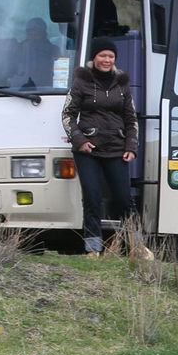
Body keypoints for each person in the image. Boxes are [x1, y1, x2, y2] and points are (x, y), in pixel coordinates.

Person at [61, 36, 148, 258]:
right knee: (92, 197)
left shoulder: (122, 84)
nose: (107, 60)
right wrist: (80, 140)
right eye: (102, 56)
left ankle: (137, 246)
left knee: (124, 199)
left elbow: (131, 119)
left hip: (117, 149)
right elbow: (68, 114)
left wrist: (132, 146)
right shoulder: (81, 81)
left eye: (110, 56)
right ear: (94, 57)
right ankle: (93, 248)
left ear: (115, 58)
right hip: (88, 150)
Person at [17, 17, 59, 88]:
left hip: (48, 90)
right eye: (30, 34)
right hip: (17, 90)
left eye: (36, 35)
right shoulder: (19, 49)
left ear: (44, 35)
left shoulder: (53, 50)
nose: (32, 38)